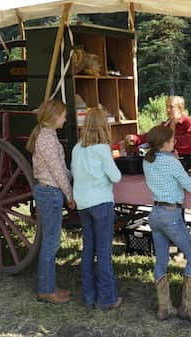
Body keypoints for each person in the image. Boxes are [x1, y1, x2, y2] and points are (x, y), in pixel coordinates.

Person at [127, 95, 191, 256]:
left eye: (171, 106)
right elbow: (149, 136)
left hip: (189, 169)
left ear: (181, 108)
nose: (167, 109)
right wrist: (136, 138)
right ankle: (182, 248)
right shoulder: (164, 125)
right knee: (179, 212)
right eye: (167, 106)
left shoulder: (189, 123)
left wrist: (170, 141)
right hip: (171, 171)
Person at [143, 124, 191, 324]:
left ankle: (164, 308)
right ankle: (187, 307)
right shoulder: (172, 162)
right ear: (164, 144)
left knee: (161, 260)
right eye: (172, 141)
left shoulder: (148, 161)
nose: (175, 143)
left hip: (155, 214)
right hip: (171, 214)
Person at [71, 108, 122, 309]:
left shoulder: (77, 148)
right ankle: (107, 298)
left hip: (83, 204)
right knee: (103, 252)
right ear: (104, 126)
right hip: (101, 202)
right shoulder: (101, 149)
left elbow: (75, 173)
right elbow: (116, 177)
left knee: (88, 250)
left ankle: (89, 296)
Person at [26, 99, 75, 304]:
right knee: (51, 243)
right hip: (50, 192)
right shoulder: (46, 138)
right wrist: (70, 195)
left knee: (51, 241)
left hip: (49, 191)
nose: (65, 118)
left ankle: (49, 286)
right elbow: (57, 172)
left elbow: (61, 168)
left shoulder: (48, 135)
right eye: (63, 115)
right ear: (54, 117)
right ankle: (46, 290)